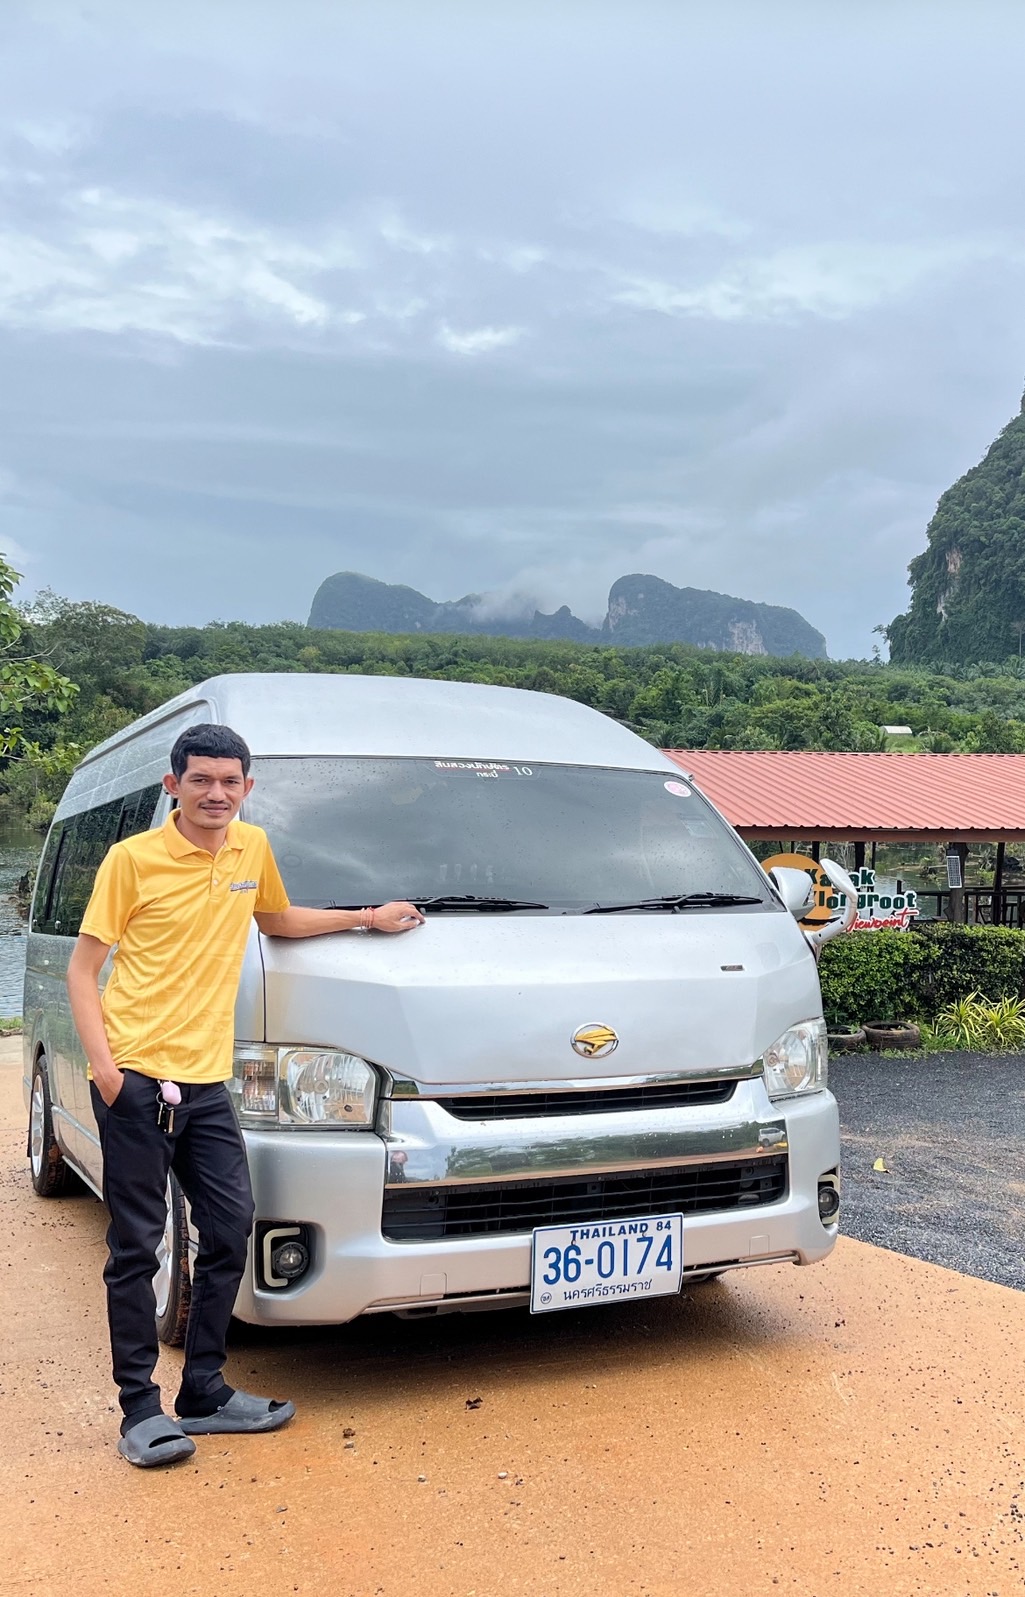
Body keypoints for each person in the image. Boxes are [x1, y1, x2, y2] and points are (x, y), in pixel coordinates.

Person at [67, 723, 424, 1468]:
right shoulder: (131, 860)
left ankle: (203, 1390)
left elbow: (276, 919)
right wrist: (107, 1072)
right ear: (173, 785)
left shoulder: (251, 848)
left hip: (205, 1084)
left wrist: (367, 918)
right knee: (136, 1247)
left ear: (247, 787)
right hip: (136, 1079)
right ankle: (140, 1410)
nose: (216, 793)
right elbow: (83, 967)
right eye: (200, 779)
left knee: (230, 1230)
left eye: (230, 781)